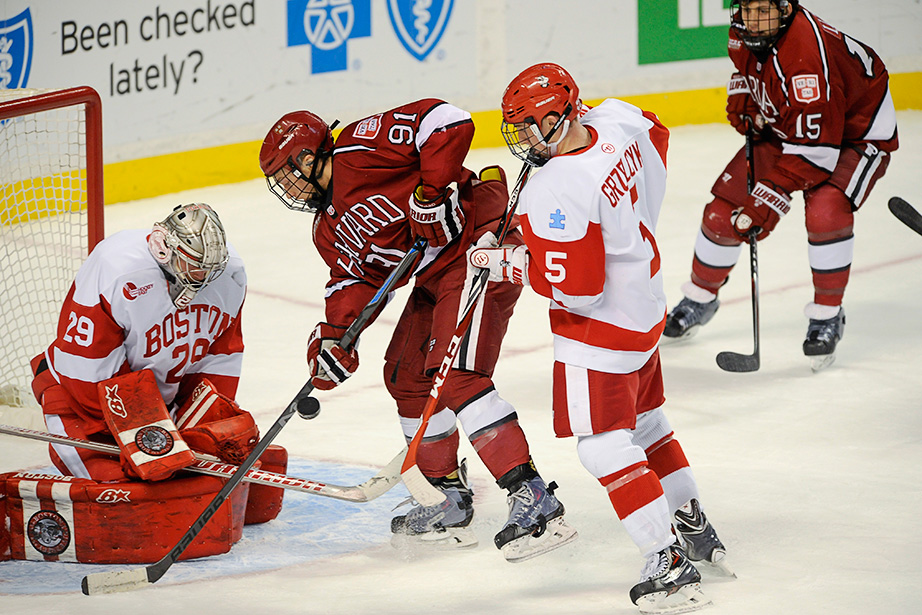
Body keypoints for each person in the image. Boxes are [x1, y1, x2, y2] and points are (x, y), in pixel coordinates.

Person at [258, 100, 577, 562]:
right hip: (436, 275)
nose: (286, 188)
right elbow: (355, 280)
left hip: (480, 246)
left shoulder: (359, 148)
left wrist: (431, 193)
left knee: (458, 375)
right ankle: (444, 494)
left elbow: (444, 120)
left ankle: (535, 501)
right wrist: (332, 338)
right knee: (407, 376)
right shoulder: (326, 229)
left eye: (286, 174)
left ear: (309, 159)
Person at [469, 63, 728, 613]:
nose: (525, 140)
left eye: (533, 126)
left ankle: (667, 560)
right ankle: (691, 524)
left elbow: (579, 289)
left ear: (560, 117)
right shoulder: (613, 121)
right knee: (650, 425)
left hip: (601, 330)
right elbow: (656, 130)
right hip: (646, 303)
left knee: (603, 445)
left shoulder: (556, 185)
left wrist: (509, 261)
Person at [662, 0, 898, 371]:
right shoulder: (743, 33)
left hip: (856, 135)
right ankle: (699, 299)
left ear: (787, 9)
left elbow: (815, 154)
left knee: (825, 210)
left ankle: (826, 316)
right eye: (747, 10)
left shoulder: (806, 59)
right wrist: (746, 93)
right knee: (721, 215)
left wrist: (766, 201)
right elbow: (748, 65)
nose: (754, 21)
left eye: (764, 11)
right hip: (794, 127)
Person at [29, 203, 270, 485]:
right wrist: (147, 437)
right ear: (164, 248)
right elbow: (85, 370)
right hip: (83, 410)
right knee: (131, 501)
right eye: (193, 264)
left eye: (209, 268)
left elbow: (220, 356)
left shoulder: (229, 275)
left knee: (211, 482)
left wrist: (198, 422)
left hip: (160, 413)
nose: (202, 277)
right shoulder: (116, 267)